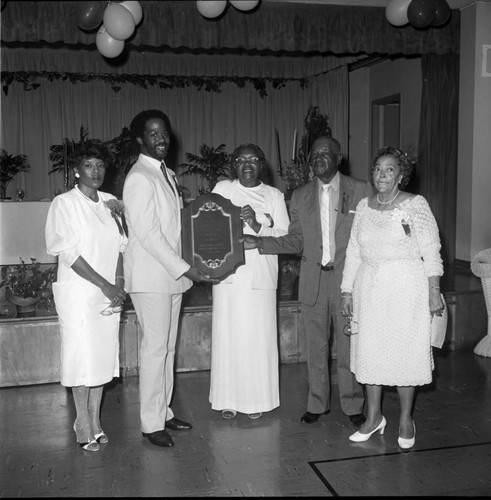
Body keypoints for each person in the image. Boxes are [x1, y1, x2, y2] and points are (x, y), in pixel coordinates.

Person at [244, 135, 372, 427]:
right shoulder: (300, 196)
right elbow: (296, 240)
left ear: (339, 158)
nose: (319, 158)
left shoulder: (361, 190)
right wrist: (260, 241)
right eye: (314, 154)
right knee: (315, 348)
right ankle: (317, 402)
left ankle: (353, 405)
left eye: (326, 153)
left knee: (349, 345)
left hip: (348, 283)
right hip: (313, 281)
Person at [123, 109, 216, 448]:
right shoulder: (139, 178)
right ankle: (150, 424)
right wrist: (185, 267)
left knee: (167, 348)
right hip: (151, 278)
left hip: (171, 278)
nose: (161, 138)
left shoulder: (167, 174)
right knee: (154, 350)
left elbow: (176, 229)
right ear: (140, 139)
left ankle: (162, 411)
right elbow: (148, 235)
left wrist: (191, 261)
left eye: (164, 132)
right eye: (152, 133)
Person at [340, 146, 444, 449]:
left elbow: (431, 250)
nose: (382, 175)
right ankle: (373, 418)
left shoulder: (415, 204)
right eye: (377, 169)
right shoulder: (363, 205)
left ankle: (405, 419)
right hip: (368, 289)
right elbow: (353, 252)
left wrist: (434, 291)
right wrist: (347, 290)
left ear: (401, 174)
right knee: (370, 353)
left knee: (404, 354)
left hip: (406, 290)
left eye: (389, 169)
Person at [45, 141, 127, 452]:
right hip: (80, 291)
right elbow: (69, 253)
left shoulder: (111, 202)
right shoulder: (64, 203)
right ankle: (81, 420)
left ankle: (96, 419)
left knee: (102, 356)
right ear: (76, 171)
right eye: (89, 166)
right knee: (81, 355)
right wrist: (105, 285)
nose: (95, 171)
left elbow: (121, 246)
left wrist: (117, 283)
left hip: (109, 291)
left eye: (100, 166)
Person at [209, 143, 290, 420]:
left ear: (261, 164)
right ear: (233, 164)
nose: (247, 164)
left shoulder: (274, 195)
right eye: (241, 159)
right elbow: (208, 225)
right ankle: (227, 400)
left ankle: (257, 401)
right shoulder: (223, 189)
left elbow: (285, 236)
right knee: (228, 338)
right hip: (228, 276)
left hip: (260, 276)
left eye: (253, 159)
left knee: (257, 340)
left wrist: (257, 226)